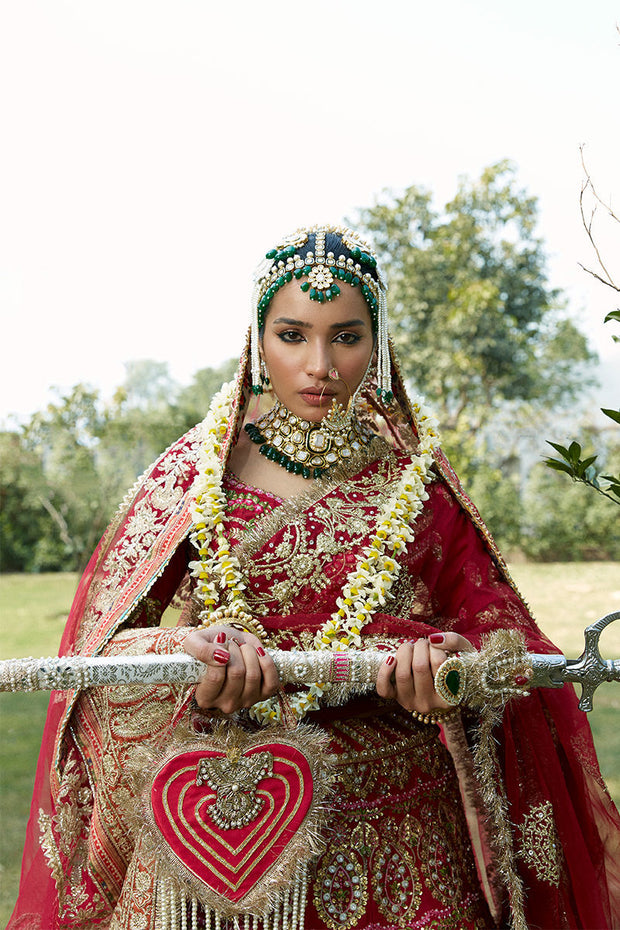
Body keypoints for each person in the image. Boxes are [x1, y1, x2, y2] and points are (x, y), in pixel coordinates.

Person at [9, 225, 620, 930]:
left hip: (402, 834)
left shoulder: (416, 484)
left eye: (347, 337)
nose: (320, 364)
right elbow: (97, 651)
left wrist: (449, 678)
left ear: (379, 343)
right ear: (256, 340)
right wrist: (187, 655)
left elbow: (499, 638)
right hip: (221, 821)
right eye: (294, 335)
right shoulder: (195, 474)